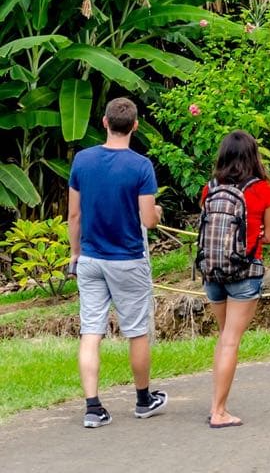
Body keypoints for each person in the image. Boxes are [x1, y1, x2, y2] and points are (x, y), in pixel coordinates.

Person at [66, 97, 167, 428]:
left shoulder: (83, 160)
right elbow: (149, 220)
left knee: (90, 331)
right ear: (135, 126)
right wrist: (158, 213)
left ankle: (93, 407)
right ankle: (143, 399)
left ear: (105, 123)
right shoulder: (140, 166)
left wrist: (74, 253)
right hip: (127, 259)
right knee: (136, 331)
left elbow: (75, 214)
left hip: (91, 258)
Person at [198, 131, 270, 428]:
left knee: (224, 338)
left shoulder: (210, 188)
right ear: (253, 155)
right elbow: (269, 237)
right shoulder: (263, 190)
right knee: (231, 340)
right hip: (245, 272)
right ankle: (218, 411)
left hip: (212, 271)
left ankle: (218, 404)